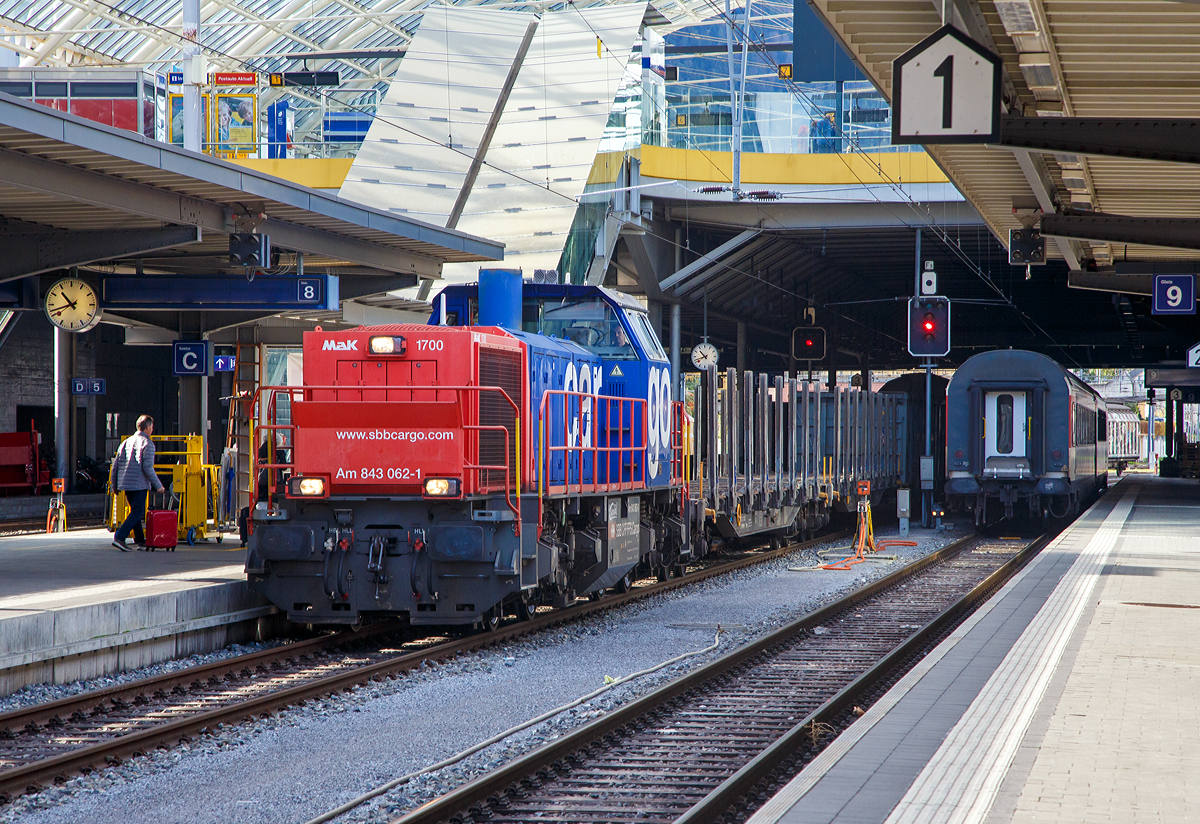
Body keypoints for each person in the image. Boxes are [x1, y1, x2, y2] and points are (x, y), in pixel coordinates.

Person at [109, 415, 164, 551]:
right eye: (151, 427)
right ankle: (120, 537)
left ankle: (140, 541)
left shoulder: (126, 442)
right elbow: (147, 467)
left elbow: (115, 465)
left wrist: (114, 485)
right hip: (139, 484)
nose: (152, 429)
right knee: (138, 512)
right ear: (147, 427)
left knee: (135, 511)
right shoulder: (147, 443)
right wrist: (158, 486)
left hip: (125, 483)